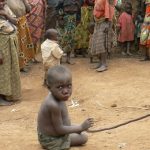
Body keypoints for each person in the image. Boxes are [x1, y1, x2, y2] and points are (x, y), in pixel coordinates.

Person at [37, 65, 94, 150]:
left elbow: (63, 123)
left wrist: (79, 128)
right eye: (60, 87)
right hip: (51, 139)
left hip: (58, 131)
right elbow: (59, 129)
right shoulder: (53, 105)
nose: (66, 91)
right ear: (49, 88)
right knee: (83, 138)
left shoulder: (58, 96)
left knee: (81, 133)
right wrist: (80, 127)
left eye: (69, 86)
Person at [0, 0, 21, 105]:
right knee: (2, 71)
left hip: (10, 44)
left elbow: (16, 21)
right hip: (1, 46)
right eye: (0, 2)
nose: (2, 3)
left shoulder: (6, 9)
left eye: (3, 1)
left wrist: (6, 14)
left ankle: (7, 94)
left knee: (9, 69)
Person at [7, 0, 35, 72]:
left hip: (22, 22)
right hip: (12, 23)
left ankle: (22, 64)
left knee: (23, 44)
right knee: (16, 44)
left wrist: (24, 1)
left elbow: (28, 9)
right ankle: (18, 65)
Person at [91, 0, 115, 72]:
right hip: (98, 22)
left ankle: (104, 64)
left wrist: (107, 25)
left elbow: (108, 12)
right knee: (96, 43)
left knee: (102, 43)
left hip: (104, 22)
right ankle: (100, 63)